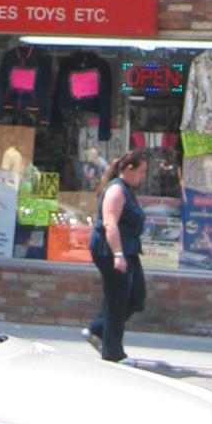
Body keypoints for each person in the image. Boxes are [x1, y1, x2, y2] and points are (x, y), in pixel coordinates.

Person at [83, 150, 148, 363]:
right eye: (141, 171)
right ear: (129, 169)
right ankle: (113, 353)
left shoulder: (127, 190)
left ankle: (98, 329)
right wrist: (118, 255)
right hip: (110, 249)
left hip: (129, 249)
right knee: (117, 299)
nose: (143, 176)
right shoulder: (116, 190)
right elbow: (110, 223)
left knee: (136, 295)